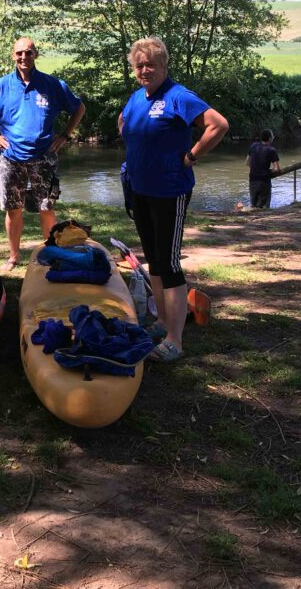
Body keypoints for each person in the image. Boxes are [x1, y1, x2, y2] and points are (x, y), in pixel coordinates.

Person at [118, 36, 229, 363]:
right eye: (139, 65)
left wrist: (191, 156)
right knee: (152, 257)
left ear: (164, 65)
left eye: (150, 64)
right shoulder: (138, 97)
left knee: (168, 262)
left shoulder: (179, 97)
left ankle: (175, 340)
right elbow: (124, 122)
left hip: (169, 191)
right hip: (140, 189)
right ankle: (162, 321)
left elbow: (218, 125)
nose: (144, 70)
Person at [0, 37, 86, 271]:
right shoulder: (1, 86)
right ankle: (13, 257)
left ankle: (50, 253)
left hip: (45, 157)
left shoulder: (52, 85)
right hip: (11, 158)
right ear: (13, 55)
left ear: (36, 54)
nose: (24, 57)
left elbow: (79, 108)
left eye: (29, 53)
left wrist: (64, 135)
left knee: (47, 208)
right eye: (19, 53)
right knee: (14, 209)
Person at [246, 129, 280, 209]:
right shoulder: (272, 150)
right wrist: (268, 170)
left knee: (253, 206)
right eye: (272, 136)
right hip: (264, 182)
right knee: (264, 208)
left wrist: (257, 167)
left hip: (252, 180)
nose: (273, 137)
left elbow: (247, 163)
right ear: (269, 138)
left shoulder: (253, 146)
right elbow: (276, 169)